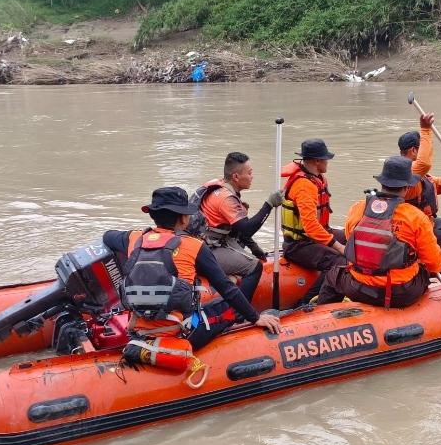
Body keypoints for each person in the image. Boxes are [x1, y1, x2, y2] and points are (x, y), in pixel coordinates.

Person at [103, 187, 280, 352]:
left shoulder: (134, 239)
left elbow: (107, 236)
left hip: (138, 328)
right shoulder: (194, 246)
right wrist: (256, 318)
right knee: (228, 309)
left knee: (205, 304)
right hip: (184, 330)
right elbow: (226, 288)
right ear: (183, 218)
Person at [317, 156, 441, 308]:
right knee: (423, 269)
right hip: (400, 293)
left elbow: (351, 238)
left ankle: (323, 316)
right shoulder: (416, 217)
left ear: (382, 183)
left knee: (333, 276)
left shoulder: (358, 208)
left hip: (357, 287)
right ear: (407, 188)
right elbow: (435, 264)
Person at [193, 152, 283, 302]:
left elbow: (237, 229)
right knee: (254, 267)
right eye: (249, 173)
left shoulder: (219, 186)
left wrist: (253, 246)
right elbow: (247, 229)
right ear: (235, 177)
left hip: (205, 242)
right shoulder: (226, 199)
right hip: (205, 250)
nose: (252, 176)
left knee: (245, 254)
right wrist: (269, 204)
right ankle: (238, 313)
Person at [398, 112, 441, 275]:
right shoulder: (407, 172)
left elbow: (440, 185)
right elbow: (425, 163)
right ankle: (438, 272)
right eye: (423, 148)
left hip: (426, 221)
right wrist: (426, 130)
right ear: (415, 150)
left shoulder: (419, 175)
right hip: (415, 228)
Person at [281, 138, 347, 302]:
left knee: (352, 239)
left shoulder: (317, 178)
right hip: (299, 244)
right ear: (317, 161)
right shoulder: (304, 186)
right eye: (326, 159)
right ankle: (311, 301)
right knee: (341, 262)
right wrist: (339, 247)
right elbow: (310, 226)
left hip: (316, 235)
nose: (327, 162)